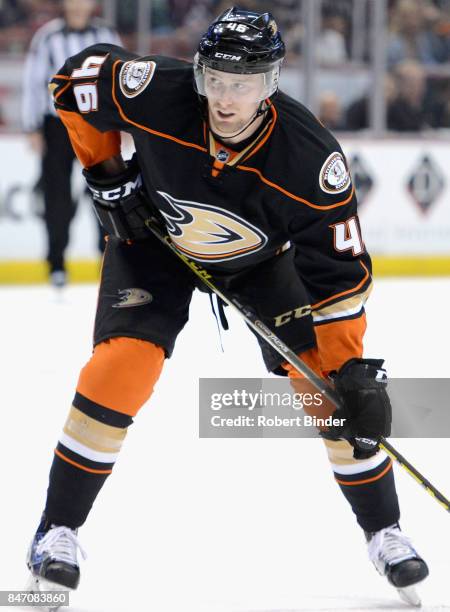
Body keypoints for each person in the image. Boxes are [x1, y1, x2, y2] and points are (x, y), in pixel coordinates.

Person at [26, 6, 429, 605]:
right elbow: (74, 81)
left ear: (270, 86)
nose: (225, 97)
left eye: (242, 84)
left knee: (329, 390)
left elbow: (339, 280)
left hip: (260, 264)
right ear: (198, 74)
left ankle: (385, 532)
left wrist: (348, 372)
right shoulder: (158, 93)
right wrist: (106, 173)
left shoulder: (311, 162)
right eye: (215, 79)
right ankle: (56, 530)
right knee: (121, 368)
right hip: (154, 243)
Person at [21, 0, 121, 287]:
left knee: (106, 193)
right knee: (57, 196)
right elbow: (34, 82)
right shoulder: (48, 37)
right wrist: (32, 127)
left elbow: (116, 79)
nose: (78, 5)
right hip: (57, 126)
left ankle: (108, 260)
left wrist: (121, 122)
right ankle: (56, 265)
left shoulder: (106, 35)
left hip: (96, 123)